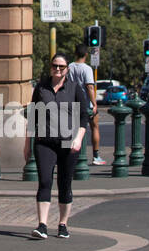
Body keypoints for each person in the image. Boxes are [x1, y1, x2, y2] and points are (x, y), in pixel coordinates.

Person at [24, 53, 90, 238]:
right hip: (45, 142)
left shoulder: (74, 89)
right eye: (55, 66)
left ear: (67, 69)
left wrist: (78, 138)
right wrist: (27, 144)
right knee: (45, 181)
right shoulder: (41, 87)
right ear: (50, 67)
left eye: (61, 66)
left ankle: (63, 224)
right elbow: (32, 116)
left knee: (64, 183)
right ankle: (42, 225)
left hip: (69, 142)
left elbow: (84, 117)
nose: (58, 69)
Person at [68, 44, 103, 164]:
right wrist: (94, 104)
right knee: (94, 127)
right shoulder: (86, 69)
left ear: (75, 53)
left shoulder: (69, 67)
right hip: (85, 103)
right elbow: (89, 87)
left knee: (73, 129)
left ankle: (71, 154)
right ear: (86, 55)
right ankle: (96, 155)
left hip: (72, 102)